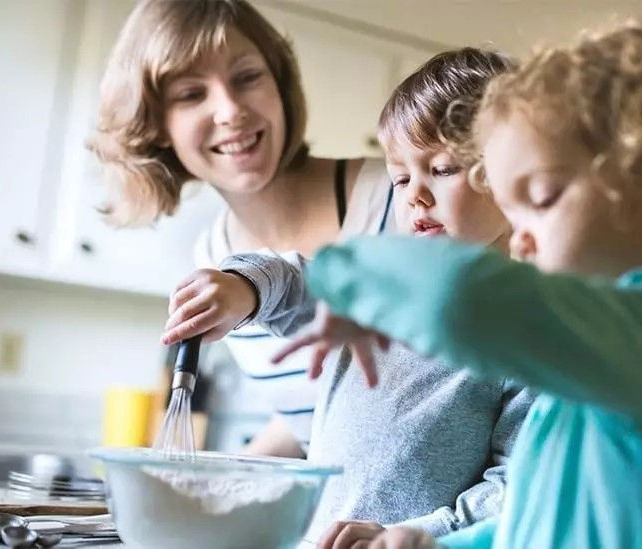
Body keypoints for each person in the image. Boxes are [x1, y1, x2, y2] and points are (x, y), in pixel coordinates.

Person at [279, 19, 642, 549]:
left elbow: (461, 298)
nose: (519, 241)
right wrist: (428, 545)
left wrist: (350, 271)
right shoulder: (606, 365)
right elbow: (534, 518)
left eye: (539, 200)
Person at [163, 48, 535, 546]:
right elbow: (298, 281)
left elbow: (518, 483)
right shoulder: (382, 289)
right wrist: (245, 286)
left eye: (442, 169)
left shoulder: (531, 334)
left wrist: (416, 535)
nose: (414, 196)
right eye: (402, 177)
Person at [88, 0, 394, 456]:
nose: (230, 110)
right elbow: (310, 418)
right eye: (192, 94)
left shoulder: (402, 194)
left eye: (248, 77)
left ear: (280, 84)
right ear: (156, 126)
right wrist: (215, 483)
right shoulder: (214, 256)